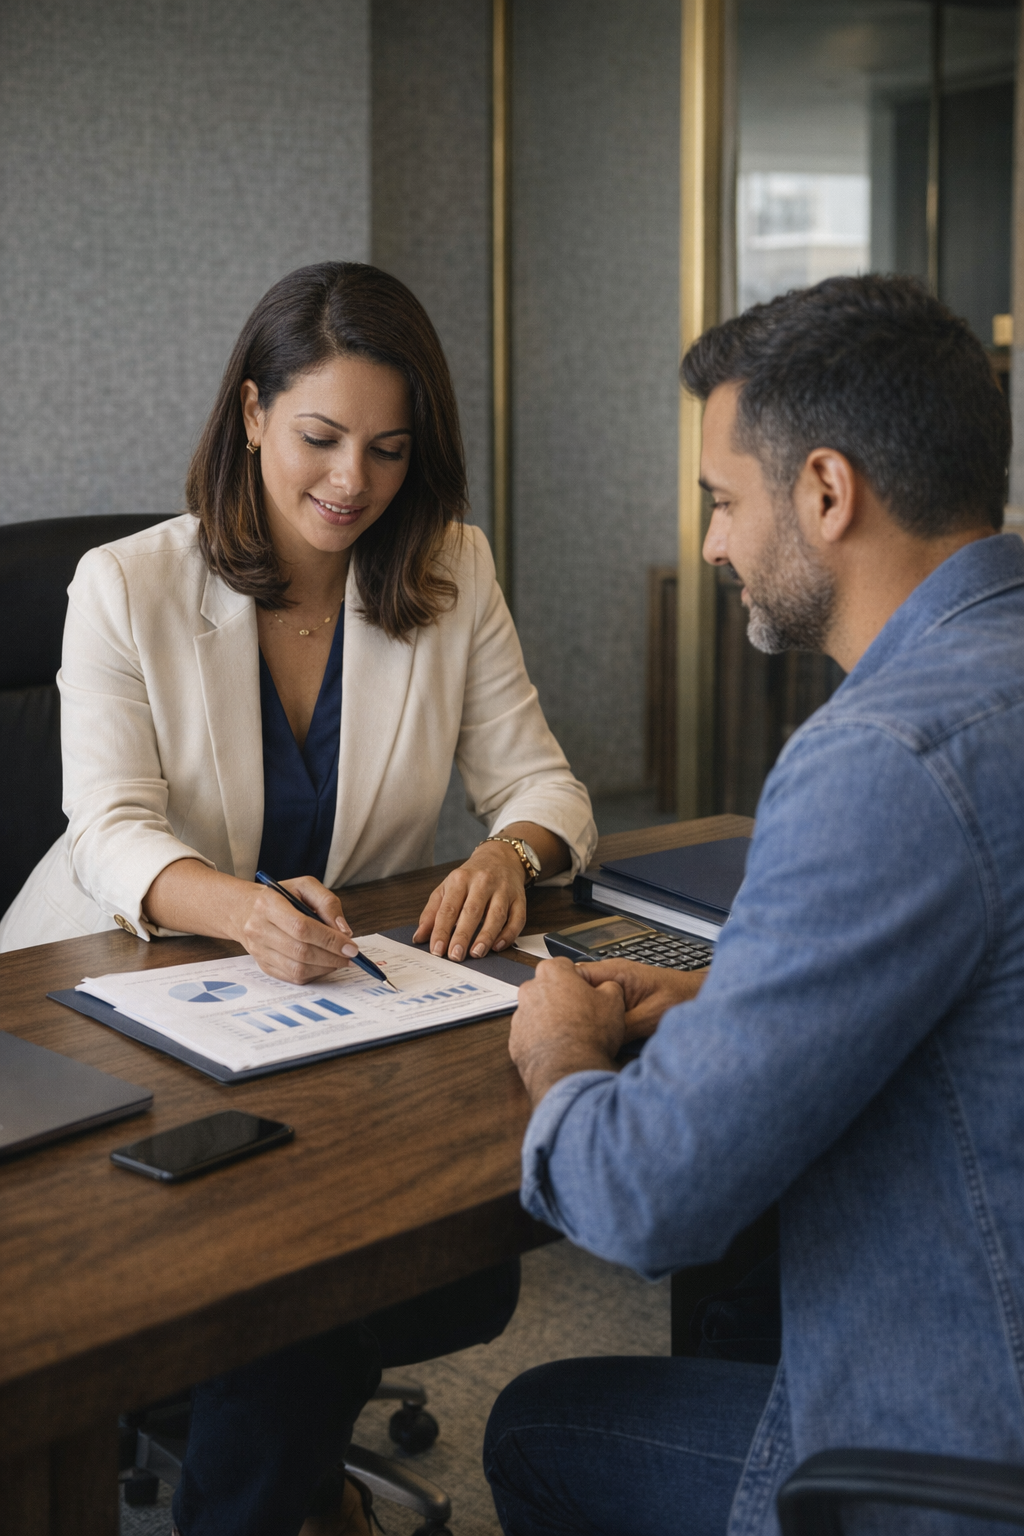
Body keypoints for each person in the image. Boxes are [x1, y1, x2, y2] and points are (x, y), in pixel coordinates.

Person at [0, 262, 597, 1536]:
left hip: (324, 1013)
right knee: (282, 1287)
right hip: (99, 996)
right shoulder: (127, 583)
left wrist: (511, 855)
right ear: (255, 412)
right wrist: (243, 907)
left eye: (388, 451)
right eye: (321, 438)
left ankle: (276, 1475)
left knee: (344, 1265)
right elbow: (106, 831)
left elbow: (544, 784)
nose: (352, 484)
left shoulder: (448, 567)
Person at [484, 274, 1024, 1536]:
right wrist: (737, 998)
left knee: (538, 1429)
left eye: (723, 502)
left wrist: (559, 1049)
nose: (714, 544)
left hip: (954, 1457)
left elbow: (644, 1200)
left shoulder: (883, 757)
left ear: (826, 492)